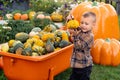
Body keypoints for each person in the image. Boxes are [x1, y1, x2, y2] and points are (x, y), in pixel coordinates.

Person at [68, 11, 96, 80]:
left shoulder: (90, 36)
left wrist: (75, 36)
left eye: (86, 24)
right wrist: (70, 20)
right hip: (76, 64)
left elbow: (79, 46)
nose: (83, 25)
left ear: (93, 25)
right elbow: (73, 26)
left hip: (84, 66)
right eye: (82, 22)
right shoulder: (81, 30)